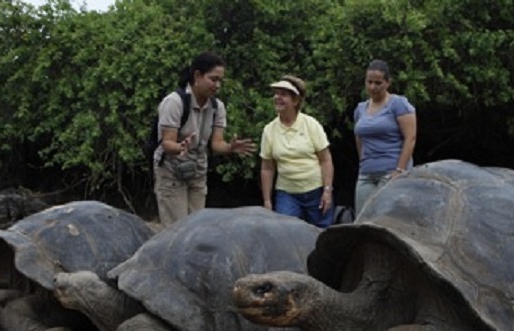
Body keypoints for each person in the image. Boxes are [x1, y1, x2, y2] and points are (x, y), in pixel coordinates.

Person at [153, 51, 255, 225]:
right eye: (213, 79)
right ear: (197, 76)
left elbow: (216, 144)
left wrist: (230, 148)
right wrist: (179, 147)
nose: (217, 85)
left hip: (198, 170)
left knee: (197, 227)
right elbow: (167, 143)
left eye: (220, 80)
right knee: (176, 228)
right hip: (171, 170)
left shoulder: (217, 107)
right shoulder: (175, 102)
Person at [259, 75, 335, 228]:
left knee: (323, 233)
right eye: (276, 93)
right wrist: (267, 201)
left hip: (316, 190)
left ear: (295, 101)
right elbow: (267, 168)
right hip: (287, 192)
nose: (278, 98)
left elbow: (325, 160)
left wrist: (327, 191)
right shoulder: (269, 130)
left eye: (283, 94)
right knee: (285, 232)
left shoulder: (311, 124)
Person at [353, 59, 417, 213]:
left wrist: (400, 170)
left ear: (388, 83)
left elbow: (410, 138)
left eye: (378, 83)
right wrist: (363, 161)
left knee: (385, 217)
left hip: (391, 169)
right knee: (363, 216)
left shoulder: (398, 104)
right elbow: (359, 137)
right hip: (367, 172)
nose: (373, 87)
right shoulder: (361, 108)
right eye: (369, 82)